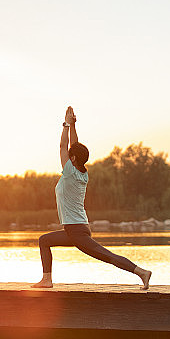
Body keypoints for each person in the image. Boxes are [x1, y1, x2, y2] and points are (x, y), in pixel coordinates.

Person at [31, 106, 152, 290]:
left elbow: (64, 146)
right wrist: (73, 126)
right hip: (78, 228)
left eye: (70, 156)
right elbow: (74, 147)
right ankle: (46, 280)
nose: (67, 155)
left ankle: (141, 272)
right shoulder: (82, 173)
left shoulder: (70, 172)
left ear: (72, 159)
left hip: (76, 230)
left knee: (107, 256)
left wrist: (65, 125)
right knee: (44, 241)